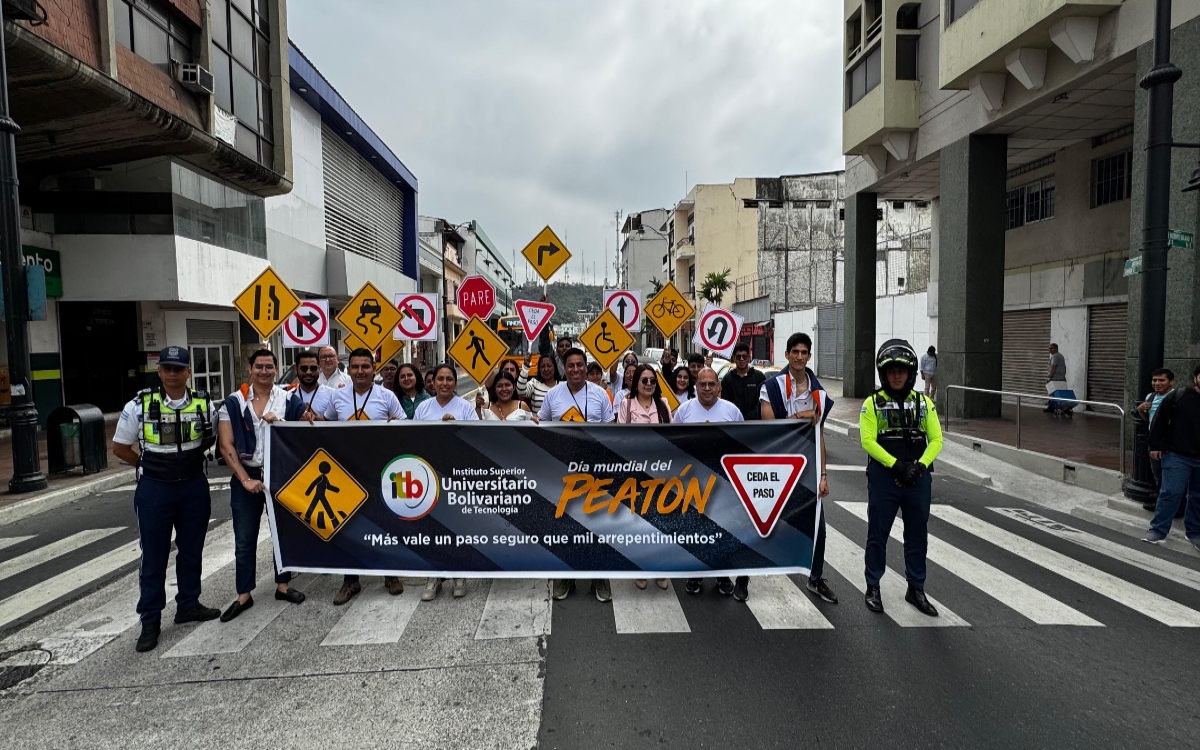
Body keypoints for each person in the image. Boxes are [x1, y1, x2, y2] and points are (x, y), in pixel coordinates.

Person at [111, 346, 220, 652]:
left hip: (193, 485)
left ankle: (188, 605)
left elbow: (209, 438)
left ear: (188, 372)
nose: (173, 373)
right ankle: (150, 620)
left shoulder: (203, 404)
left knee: (192, 550)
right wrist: (144, 465)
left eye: (178, 368)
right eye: (167, 368)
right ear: (159, 372)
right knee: (154, 556)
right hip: (155, 488)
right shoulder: (140, 404)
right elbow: (120, 447)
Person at [216, 350, 307, 623]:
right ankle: (244, 594)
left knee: (283, 535)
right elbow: (226, 443)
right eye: (259, 366)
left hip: (281, 475)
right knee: (244, 539)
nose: (264, 371)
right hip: (247, 476)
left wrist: (282, 424)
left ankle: (283, 585)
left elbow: (310, 429)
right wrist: (245, 479)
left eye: (269, 366)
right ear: (250, 369)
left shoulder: (289, 400)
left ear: (276, 370)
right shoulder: (233, 403)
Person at [859, 339, 944, 617]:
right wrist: (897, 467)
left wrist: (919, 467)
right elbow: (868, 441)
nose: (897, 375)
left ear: (910, 373)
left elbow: (936, 440)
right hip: (885, 477)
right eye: (892, 370)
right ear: (883, 373)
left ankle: (916, 588)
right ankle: (873, 586)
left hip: (918, 478)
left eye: (903, 370)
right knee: (878, 533)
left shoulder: (923, 403)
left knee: (918, 533)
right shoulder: (872, 404)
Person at [315, 348, 405, 605]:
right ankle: (350, 580)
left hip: (380, 470)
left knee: (385, 523)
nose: (360, 371)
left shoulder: (387, 396)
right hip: (347, 472)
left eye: (365, 366)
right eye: (355, 366)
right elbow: (327, 421)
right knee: (349, 525)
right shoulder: (338, 397)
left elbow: (406, 423)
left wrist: (394, 426)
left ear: (373, 369)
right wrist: (310, 420)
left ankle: (390, 574)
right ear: (349, 369)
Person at [760, 332, 835, 607]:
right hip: (776, 468)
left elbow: (820, 436)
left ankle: (815, 578)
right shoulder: (771, 387)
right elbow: (769, 430)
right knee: (758, 525)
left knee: (819, 529)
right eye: (795, 352)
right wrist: (800, 417)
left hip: (807, 470)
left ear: (809, 356)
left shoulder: (819, 393)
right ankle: (742, 577)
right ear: (787, 354)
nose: (800, 356)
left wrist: (824, 475)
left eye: (804, 352)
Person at [540, 348, 615, 602]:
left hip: (595, 470)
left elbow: (610, 430)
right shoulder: (553, 395)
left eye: (579, 365)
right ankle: (567, 575)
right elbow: (542, 426)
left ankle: (599, 576)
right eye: (570, 365)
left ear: (586, 367)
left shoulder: (600, 394)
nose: (575, 370)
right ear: (565, 368)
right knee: (566, 524)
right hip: (561, 470)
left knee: (598, 524)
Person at [676, 367, 744, 595]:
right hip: (691, 482)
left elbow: (742, 445)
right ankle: (694, 574)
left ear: (718, 386)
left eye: (711, 384)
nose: (707, 388)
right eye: (702, 384)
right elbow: (671, 444)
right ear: (695, 386)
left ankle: (722, 575)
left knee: (722, 530)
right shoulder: (683, 411)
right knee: (695, 529)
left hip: (723, 483)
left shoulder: (732, 412)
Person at [415, 363, 476, 601]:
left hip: (457, 474)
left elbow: (475, 439)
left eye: (449, 379)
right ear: (433, 382)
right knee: (433, 527)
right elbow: (414, 437)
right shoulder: (423, 408)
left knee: (457, 525)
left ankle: (459, 574)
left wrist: (456, 428)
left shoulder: (464, 407)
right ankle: (434, 575)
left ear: (455, 382)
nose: (444, 383)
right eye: (440, 379)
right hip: (429, 473)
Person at [616, 363, 671, 591]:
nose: (648, 384)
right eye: (644, 380)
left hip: (662, 474)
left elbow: (672, 436)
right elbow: (619, 438)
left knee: (661, 522)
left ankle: (660, 568)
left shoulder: (664, 404)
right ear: (635, 382)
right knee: (638, 522)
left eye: (652, 380)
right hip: (635, 474)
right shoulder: (626, 405)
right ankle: (641, 567)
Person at [1143, 364, 1200, 549]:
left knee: (1198, 496)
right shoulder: (1179, 396)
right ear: (1195, 378)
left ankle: (1194, 532)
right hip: (1177, 454)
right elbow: (1159, 420)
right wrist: (1155, 445)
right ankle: (1158, 531)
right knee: (1171, 493)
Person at [1139, 367, 1176, 507]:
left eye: (1162, 380)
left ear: (1171, 382)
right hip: (1153, 441)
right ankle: (1160, 500)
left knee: (1169, 474)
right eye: (1154, 380)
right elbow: (1147, 419)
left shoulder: (1175, 396)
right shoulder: (1150, 396)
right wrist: (1141, 410)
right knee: (1157, 472)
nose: (1157, 383)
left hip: (1169, 442)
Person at [720, 342, 767, 421]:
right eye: (738, 357)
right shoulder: (727, 379)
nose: (741, 359)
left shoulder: (759, 377)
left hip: (755, 424)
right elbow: (725, 403)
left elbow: (762, 402)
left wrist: (751, 416)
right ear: (734, 358)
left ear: (749, 358)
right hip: (733, 423)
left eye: (744, 356)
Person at [290, 348, 334, 420]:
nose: (308, 372)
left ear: (319, 368)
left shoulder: (332, 395)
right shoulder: (287, 395)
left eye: (313, 368)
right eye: (304, 368)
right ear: (296, 369)